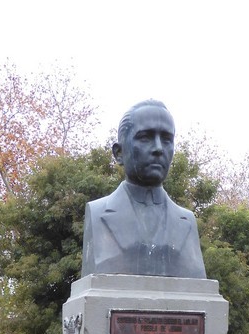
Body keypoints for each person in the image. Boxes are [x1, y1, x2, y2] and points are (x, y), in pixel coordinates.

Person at [81, 100, 206, 279]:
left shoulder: (187, 221)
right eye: (145, 137)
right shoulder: (98, 213)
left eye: (166, 139)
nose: (158, 148)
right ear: (119, 153)